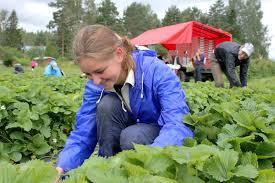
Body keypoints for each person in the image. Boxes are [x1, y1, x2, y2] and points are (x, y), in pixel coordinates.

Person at [55, 25, 193, 175]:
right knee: (107, 105)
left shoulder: (157, 72)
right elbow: (83, 132)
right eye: (88, 74)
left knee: (132, 137)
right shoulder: (96, 84)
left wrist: (153, 160)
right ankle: (108, 170)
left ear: (119, 54)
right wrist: (61, 168)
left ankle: (139, 173)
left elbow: (177, 123)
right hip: (129, 127)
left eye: (100, 71)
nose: (95, 81)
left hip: (158, 134)